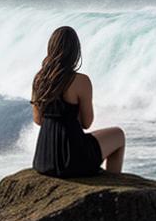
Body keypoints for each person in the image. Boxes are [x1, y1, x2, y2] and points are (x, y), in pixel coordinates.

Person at [30, 26, 126, 177]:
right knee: (118, 135)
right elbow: (87, 123)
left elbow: (38, 120)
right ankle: (114, 181)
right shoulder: (80, 80)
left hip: (44, 159)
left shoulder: (39, 79)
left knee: (96, 135)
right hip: (72, 160)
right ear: (75, 51)